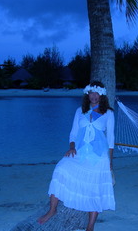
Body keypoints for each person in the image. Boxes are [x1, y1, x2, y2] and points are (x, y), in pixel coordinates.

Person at [37, 81, 115, 231]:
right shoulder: (80, 111)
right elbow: (73, 133)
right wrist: (71, 147)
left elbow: (110, 139)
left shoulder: (109, 113)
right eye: (91, 92)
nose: (94, 95)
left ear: (102, 95)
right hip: (79, 152)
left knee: (94, 187)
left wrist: (110, 162)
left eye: (97, 92)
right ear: (87, 94)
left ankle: (90, 225)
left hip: (99, 155)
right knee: (60, 169)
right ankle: (52, 210)